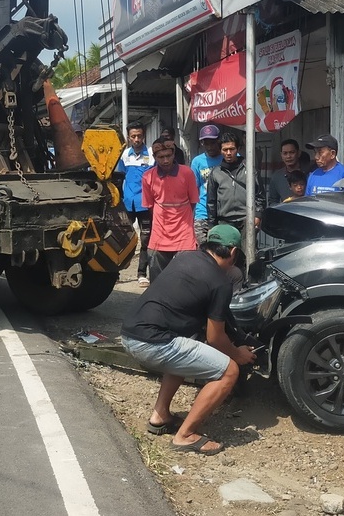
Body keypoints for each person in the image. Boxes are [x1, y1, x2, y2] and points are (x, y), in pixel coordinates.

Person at [119, 224, 257, 456]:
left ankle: (160, 416)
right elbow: (215, 338)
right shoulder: (221, 282)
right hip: (152, 343)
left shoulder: (184, 258)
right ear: (233, 252)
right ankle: (185, 436)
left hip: (129, 332)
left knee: (186, 348)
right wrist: (238, 353)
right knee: (229, 371)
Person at [205, 132, 264, 285]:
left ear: (237, 149)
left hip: (246, 220)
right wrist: (212, 226)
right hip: (224, 222)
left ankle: (249, 285)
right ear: (220, 150)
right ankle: (226, 286)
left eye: (231, 149)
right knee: (224, 257)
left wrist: (258, 215)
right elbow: (211, 201)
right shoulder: (215, 173)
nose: (228, 153)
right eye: (225, 149)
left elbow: (260, 195)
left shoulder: (249, 169)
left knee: (248, 255)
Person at [140, 138, 199, 278]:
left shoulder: (187, 173)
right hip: (159, 234)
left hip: (184, 233)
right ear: (154, 157)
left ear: (174, 154)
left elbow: (193, 202)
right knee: (157, 276)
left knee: (186, 277)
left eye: (168, 156)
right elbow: (150, 206)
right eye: (161, 157)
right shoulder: (148, 177)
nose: (165, 160)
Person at [116, 121, 154, 286]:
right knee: (122, 238)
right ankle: (115, 272)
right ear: (129, 137)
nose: (136, 139)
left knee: (146, 239)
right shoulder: (124, 155)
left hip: (145, 204)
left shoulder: (152, 154)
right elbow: (119, 178)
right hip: (128, 204)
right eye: (133, 136)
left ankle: (141, 274)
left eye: (139, 136)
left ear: (143, 135)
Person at [189, 124, 224, 244]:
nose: (209, 147)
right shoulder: (197, 162)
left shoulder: (228, 157)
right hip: (203, 213)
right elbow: (193, 189)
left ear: (219, 141)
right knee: (203, 249)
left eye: (213, 143)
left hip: (224, 213)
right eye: (206, 143)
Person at [267, 138, 303, 204]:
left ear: (299, 153)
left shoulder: (309, 174)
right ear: (281, 155)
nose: (288, 156)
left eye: (292, 152)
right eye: (285, 153)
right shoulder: (276, 177)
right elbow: (272, 201)